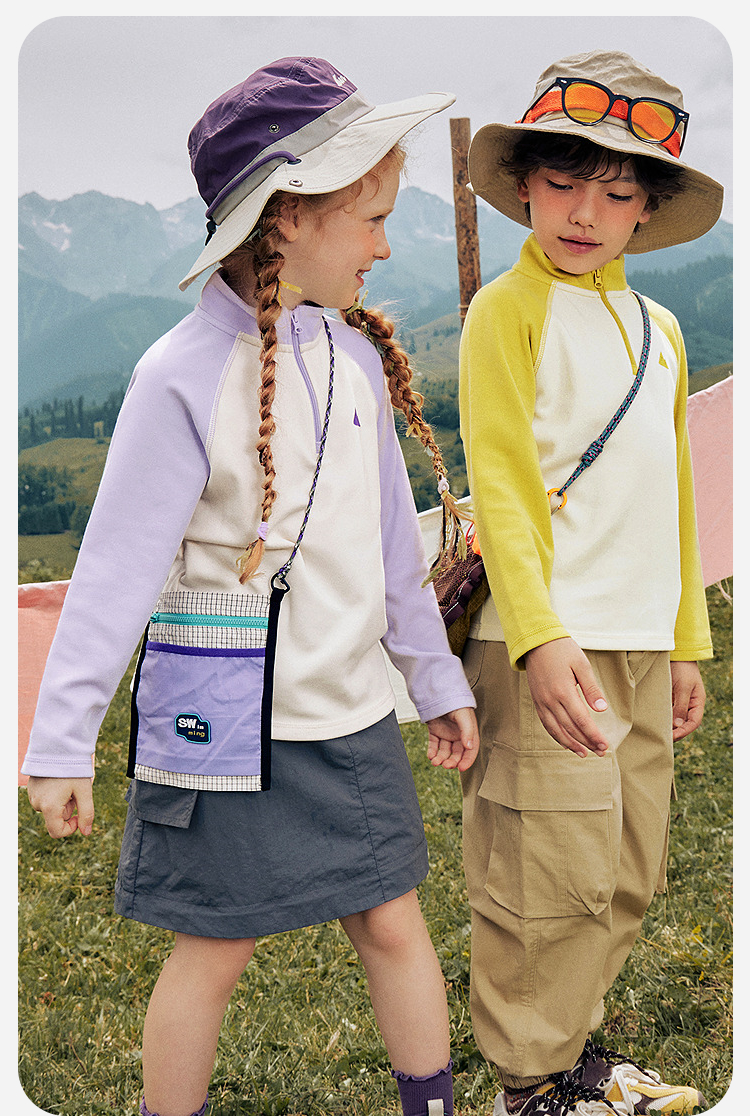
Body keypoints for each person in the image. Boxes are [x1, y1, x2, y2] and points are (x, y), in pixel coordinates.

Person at [22, 57, 479, 1116]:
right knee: (214, 952)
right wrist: (59, 742)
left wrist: (434, 680)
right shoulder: (175, 378)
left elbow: (390, 553)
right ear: (287, 219)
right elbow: (115, 573)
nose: (385, 244)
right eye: (372, 218)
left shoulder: (353, 362)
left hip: (348, 712)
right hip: (220, 721)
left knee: (394, 922)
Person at [458, 50, 723, 1116]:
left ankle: (573, 1055)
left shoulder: (660, 330)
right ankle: (529, 1085)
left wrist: (688, 641)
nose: (584, 213)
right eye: (564, 183)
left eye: (616, 194)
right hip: (546, 643)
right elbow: (503, 486)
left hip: (642, 640)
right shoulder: (506, 311)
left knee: (623, 865)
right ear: (525, 184)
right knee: (545, 873)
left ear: (646, 209)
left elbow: (674, 497)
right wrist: (537, 634)